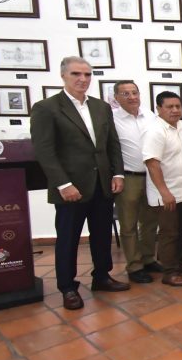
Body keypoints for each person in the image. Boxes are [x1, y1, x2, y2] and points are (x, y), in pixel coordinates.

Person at [30, 56, 129, 310]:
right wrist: (63, 184)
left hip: (102, 184)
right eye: (76, 74)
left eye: (87, 74)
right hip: (71, 188)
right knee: (68, 239)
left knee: (101, 234)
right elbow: (44, 151)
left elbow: (112, 144)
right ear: (63, 75)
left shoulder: (101, 107)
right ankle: (67, 287)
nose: (83, 79)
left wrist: (117, 174)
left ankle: (102, 277)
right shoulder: (47, 108)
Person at [142, 91, 182, 287]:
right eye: (170, 107)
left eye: (178, 106)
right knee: (169, 233)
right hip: (168, 193)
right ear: (159, 109)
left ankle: (179, 262)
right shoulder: (155, 131)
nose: (175, 110)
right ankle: (169, 272)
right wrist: (164, 192)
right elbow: (152, 163)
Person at [111, 80, 161, 284]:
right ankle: (134, 266)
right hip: (128, 177)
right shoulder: (111, 119)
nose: (132, 97)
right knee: (128, 224)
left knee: (150, 221)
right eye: (125, 94)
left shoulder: (150, 116)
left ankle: (148, 259)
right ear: (116, 98)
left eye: (134, 92)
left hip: (151, 176)